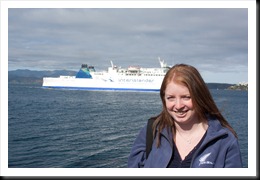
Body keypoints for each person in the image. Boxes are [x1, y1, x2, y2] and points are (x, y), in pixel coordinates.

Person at [127, 63, 243, 168]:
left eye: (186, 97)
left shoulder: (224, 140)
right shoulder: (152, 131)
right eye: (170, 98)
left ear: (199, 96)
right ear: (164, 99)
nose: (178, 106)